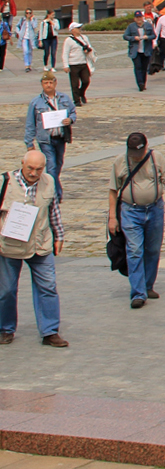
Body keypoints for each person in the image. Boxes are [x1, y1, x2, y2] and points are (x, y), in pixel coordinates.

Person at [0, 151, 66, 347]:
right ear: (22, 164)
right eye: (30, 168)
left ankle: (50, 331)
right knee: (7, 290)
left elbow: (53, 209)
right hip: (10, 244)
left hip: (40, 243)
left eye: (38, 169)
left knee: (48, 287)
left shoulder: (48, 182)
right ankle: (5, 328)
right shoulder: (5, 182)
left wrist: (59, 235)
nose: (34, 173)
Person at [107, 132, 165, 308]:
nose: (136, 157)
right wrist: (112, 218)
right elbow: (113, 190)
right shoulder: (120, 161)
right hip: (130, 211)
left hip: (154, 209)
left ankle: (147, 285)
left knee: (153, 249)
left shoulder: (156, 158)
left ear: (145, 148)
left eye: (138, 153)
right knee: (135, 250)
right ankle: (138, 292)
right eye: (133, 154)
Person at [24, 72, 75, 201]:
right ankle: (56, 195)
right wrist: (29, 143)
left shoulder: (64, 98)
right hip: (45, 139)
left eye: (51, 83)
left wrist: (70, 119)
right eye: (46, 83)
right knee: (51, 166)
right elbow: (30, 123)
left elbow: (73, 112)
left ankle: (53, 188)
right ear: (42, 84)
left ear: (55, 83)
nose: (48, 85)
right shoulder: (36, 103)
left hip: (60, 137)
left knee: (58, 165)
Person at [59, 21, 93, 107]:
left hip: (83, 62)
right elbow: (65, 53)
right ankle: (76, 100)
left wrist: (88, 50)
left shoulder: (84, 38)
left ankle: (81, 93)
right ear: (72, 30)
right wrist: (65, 65)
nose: (79, 30)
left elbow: (89, 47)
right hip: (73, 64)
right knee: (75, 84)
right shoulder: (68, 40)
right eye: (77, 28)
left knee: (86, 80)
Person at [123, 11, 155, 92]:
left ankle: (143, 83)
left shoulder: (148, 25)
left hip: (146, 50)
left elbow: (154, 35)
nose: (139, 19)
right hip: (135, 51)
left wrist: (147, 37)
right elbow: (125, 36)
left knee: (144, 68)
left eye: (140, 17)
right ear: (135, 19)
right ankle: (140, 83)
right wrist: (134, 38)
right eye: (137, 18)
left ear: (142, 17)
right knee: (138, 67)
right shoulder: (131, 26)